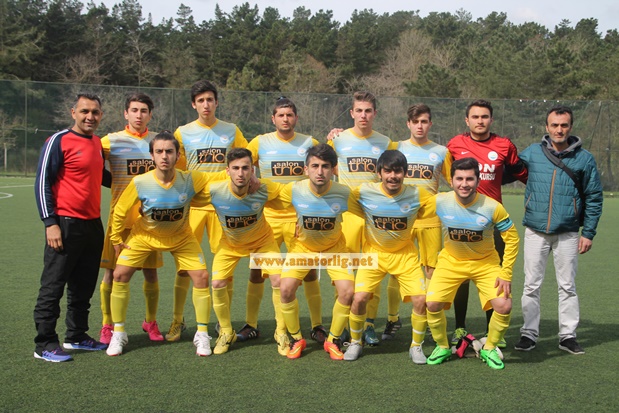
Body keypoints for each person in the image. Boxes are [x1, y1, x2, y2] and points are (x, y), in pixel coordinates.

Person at [105, 132, 226, 357]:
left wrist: (237, 173)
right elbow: (121, 210)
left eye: (169, 151)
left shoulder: (190, 179)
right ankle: (118, 333)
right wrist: (116, 239)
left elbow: (219, 177)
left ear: (177, 155)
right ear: (151, 155)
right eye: (159, 151)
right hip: (144, 236)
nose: (164, 156)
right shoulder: (140, 182)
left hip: (181, 237)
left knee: (201, 277)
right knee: (119, 275)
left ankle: (201, 333)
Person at [515, 105, 603, 354]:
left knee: (567, 286)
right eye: (554, 125)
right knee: (531, 285)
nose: (559, 130)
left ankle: (567, 335)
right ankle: (529, 333)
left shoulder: (584, 158)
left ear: (571, 127)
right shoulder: (532, 152)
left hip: (568, 231)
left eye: (564, 125)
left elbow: (594, 196)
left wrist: (588, 233)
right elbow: (510, 168)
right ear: (547, 127)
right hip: (535, 230)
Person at [167, 80, 248, 342]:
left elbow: (245, 159)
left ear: (216, 102)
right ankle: (178, 320)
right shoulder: (182, 132)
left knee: (226, 269)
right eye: (200, 100)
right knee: (184, 269)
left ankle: (224, 323)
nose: (206, 104)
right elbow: (176, 170)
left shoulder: (231, 130)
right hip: (192, 208)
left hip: (224, 208)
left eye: (210, 99)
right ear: (193, 104)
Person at [33, 93, 109, 362]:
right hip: (65, 224)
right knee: (53, 286)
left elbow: (103, 176)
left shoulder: (97, 143)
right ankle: (44, 343)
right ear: (73, 112)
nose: (90, 117)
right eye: (85, 111)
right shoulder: (58, 140)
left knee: (83, 286)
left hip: (93, 224)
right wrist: (50, 223)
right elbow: (42, 182)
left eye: (95, 112)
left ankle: (76, 335)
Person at [244, 97, 326, 344]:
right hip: (267, 220)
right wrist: (252, 177)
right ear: (273, 119)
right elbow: (242, 164)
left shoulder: (309, 143)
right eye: (281, 115)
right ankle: (251, 325)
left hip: (299, 220)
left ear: (296, 118)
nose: (285, 119)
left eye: (289, 115)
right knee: (257, 272)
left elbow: (324, 166)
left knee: (309, 273)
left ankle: (317, 325)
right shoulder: (260, 142)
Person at [425, 157, 519, 370]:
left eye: (469, 179)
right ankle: (442, 346)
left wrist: (506, 273)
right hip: (451, 261)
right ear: (451, 181)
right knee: (432, 303)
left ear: (478, 181)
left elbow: (512, 238)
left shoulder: (492, 207)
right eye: (459, 179)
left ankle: (490, 348)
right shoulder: (439, 201)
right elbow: (413, 214)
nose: (464, 184)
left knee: (504, 305)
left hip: (485, 263)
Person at [446, 99, 527, 347]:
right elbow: (447, 175)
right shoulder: (455, 144)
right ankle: (459, 328)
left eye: (484, 116)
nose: (480, 121)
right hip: (461, 222)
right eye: (475, 116)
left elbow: (522, 173)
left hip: (493, 224)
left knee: (494, 276)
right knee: (460, 278)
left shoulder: (504, 145)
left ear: (491, 119)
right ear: (467, 120)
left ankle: (493, 332)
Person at [343, 150, 434, 363]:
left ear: (405, 173)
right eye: (388, 171)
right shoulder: (362, 192)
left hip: (405, 255)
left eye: (398, 171)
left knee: (421, 300)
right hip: (373, 254)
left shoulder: (418, 195)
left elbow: (440, 207)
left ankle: (416, 346)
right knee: (359, 298)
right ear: (379, 173)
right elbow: (340, 201)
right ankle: (356, 342)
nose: (393, 176)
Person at [200, 148, 284, 355]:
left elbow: (292, 195)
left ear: (252, 171)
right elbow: (184, 199)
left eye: (245, 168)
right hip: (230, 245)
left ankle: (281, 332)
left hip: (263, 243)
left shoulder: (264, 188)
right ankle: (226, 331)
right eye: (236, 168)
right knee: (217, 283)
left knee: (279, 280)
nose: (241, 173)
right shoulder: (214, 191)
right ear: (227, 171)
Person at [275, 143, 356, 360]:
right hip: (302, 248)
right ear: (306, 169)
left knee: (347, 292)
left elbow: (368, 207)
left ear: (333, 169)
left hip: (335, 248)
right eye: (315, 166)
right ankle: (296, 339)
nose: (320, 171)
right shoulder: (294, 190)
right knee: (285, 289)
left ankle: (333, 340)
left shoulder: (344, 193)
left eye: (325, 166)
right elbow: (268, 195)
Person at [98, 93, 164, 345]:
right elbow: (92, 164)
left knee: (151, 273)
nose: (139, 115)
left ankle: (150, 321)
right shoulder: (110, 141)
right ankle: (107, 324)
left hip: (149, 222)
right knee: (111, 273)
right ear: (125, 113)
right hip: (119, 219)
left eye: (144, 111)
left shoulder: (158, 141)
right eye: (134, 110)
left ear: (150, 115)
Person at [327, 91, 392, 345]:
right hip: (347, 216)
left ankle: (368, 324)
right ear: (352, 113)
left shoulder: (385, 142)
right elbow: (325, 167)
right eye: (359, 110)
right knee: (345, 272)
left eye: (368, 111)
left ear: (375, 113)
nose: (363, 115)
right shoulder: (338, 140)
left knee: (373, 270)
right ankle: (342, 324)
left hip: (376, 216)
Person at [382, 104, 451, 341]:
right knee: (395, 268)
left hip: (430, 219)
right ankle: (392, 318)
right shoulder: (396, 147)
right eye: (415, 122)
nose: (419, 126)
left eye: (424, 121)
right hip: (401, 219)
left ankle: (431, 319)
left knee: (431, 269)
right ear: (408, 124)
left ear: (430, 124)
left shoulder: (441, 151)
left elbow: (454, 181)